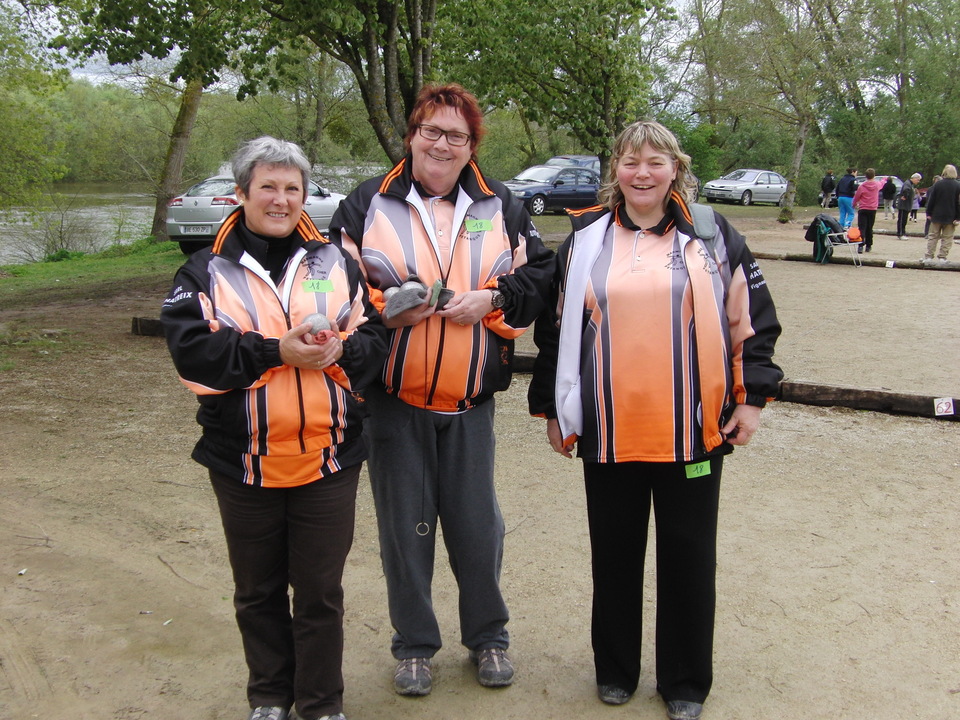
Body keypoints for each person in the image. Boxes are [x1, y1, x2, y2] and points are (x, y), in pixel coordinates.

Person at [528, 120, 782, 720]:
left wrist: (752, 398)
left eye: (655, 161)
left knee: (690, 558)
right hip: (609, 430)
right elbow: (554, 328)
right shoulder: (586, 237)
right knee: (613, 556)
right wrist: (551, 408)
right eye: (630, 161)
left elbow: (755, 324)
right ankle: (615, 670)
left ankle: (686, 682)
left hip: (694, 431)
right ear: (614, 169)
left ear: (676, 169)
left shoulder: (714, 235)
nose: (642, 173)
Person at [327, 83, 554, 697]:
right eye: (432, 131)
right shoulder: (365, 205)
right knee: (405, 529)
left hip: (469, 398)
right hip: (394, 401)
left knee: (480, 526)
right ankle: (414, 647)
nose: (443, 144)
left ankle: (489, 639)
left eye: (457, 135)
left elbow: (540, 276)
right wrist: (385, 312)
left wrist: (495, 298)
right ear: (412, 135)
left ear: (471, 145)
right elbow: (333, 290)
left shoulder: (499, 203)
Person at [160, 136, 388, 720]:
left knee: (319, 595)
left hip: (328, 459)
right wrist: (276, 352)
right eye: (268, 187)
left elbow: (375, 343)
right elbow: (196, 358)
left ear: (306, 196)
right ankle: (268, 696)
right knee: (257, 591)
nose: (281, 200)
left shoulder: (336, 263)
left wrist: (339, 350)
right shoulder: (203, 269)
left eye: (293, 189)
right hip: (243, 462)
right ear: (241, 193)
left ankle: (320, 703)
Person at [922, 164, 960, 261]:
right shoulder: (958, 185)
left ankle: (929, 256)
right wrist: (958, 217)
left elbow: (931, 200)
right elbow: (958, 203)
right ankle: (942, 257)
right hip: (951, 215)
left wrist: (929, 213)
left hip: (937, 214)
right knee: (947, 238)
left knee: (933, 236)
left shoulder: (938, 184)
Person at [853, 168, 881, 253]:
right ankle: (869, 245)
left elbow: (857, 196)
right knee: (869, 227)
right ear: (874, 175)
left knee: (862, 227)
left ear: (865, 176)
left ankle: (860, 245)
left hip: (863, 208)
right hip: (872, 209)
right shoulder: (877, 185)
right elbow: (882, 184)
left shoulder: (862, 186)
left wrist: (854, 204)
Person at [897, 173, 921, 240]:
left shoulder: (910, 184)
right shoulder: (907, 183)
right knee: (902, 220)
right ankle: (900, 233)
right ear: (914, 178)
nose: (918, 182)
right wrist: (905, 196)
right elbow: (905, 190)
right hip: (903, 205)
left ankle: (903, 233)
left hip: (906, 206)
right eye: (918, 180)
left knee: (904, 220)